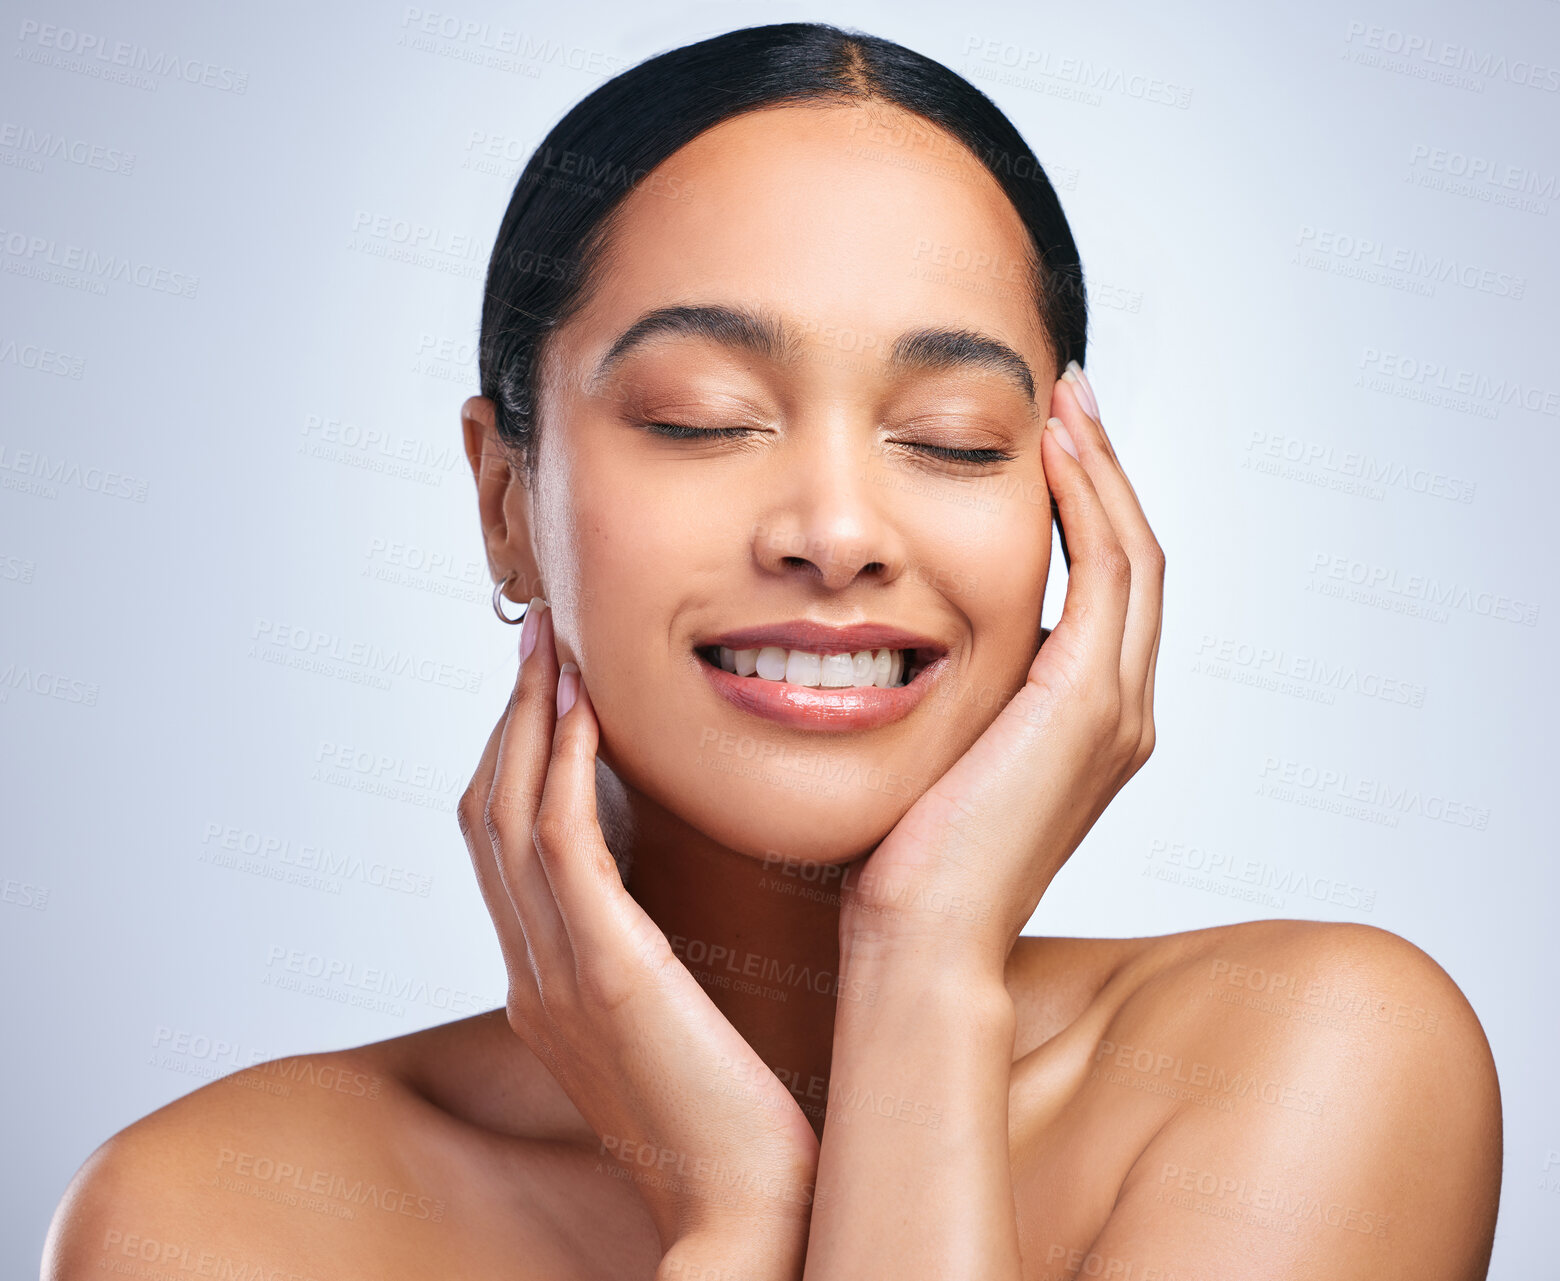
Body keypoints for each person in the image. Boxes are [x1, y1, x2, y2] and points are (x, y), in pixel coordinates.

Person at [44, 22, 1501, 1281]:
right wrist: (736, 1221)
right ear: (507, 503)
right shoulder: (218, 1217)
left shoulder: (1313, 1066)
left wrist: (924, 962)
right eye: (700, 415)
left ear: (1069, 510)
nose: (837, 529)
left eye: (953, 439)